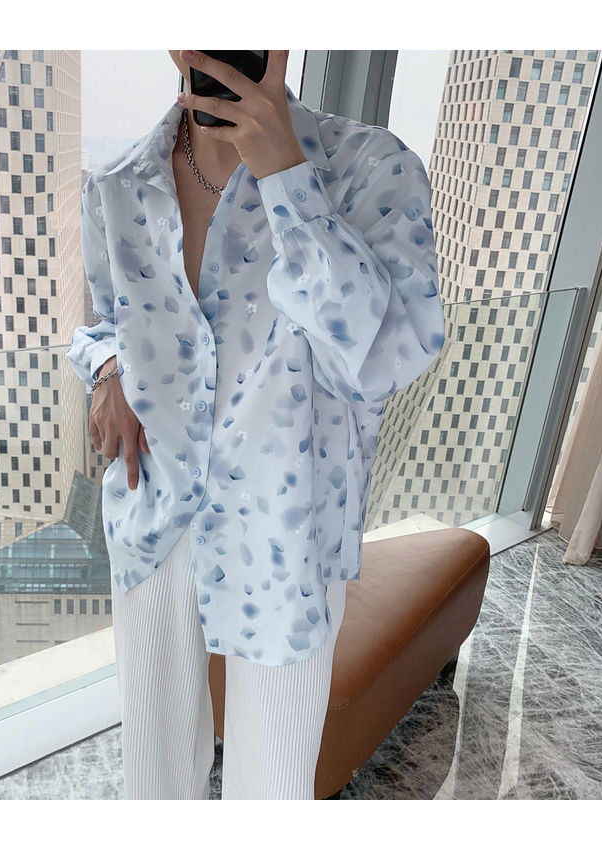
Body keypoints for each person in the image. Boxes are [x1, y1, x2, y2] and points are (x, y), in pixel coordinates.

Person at [66, 50, 445, 800]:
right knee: (153, 780)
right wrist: (105, 370)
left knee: (272, 786)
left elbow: (385, 358)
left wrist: (285, 177)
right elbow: (106, 317)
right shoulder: (116, 185)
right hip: (153, 507)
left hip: (285, 531)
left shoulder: (371, 168)